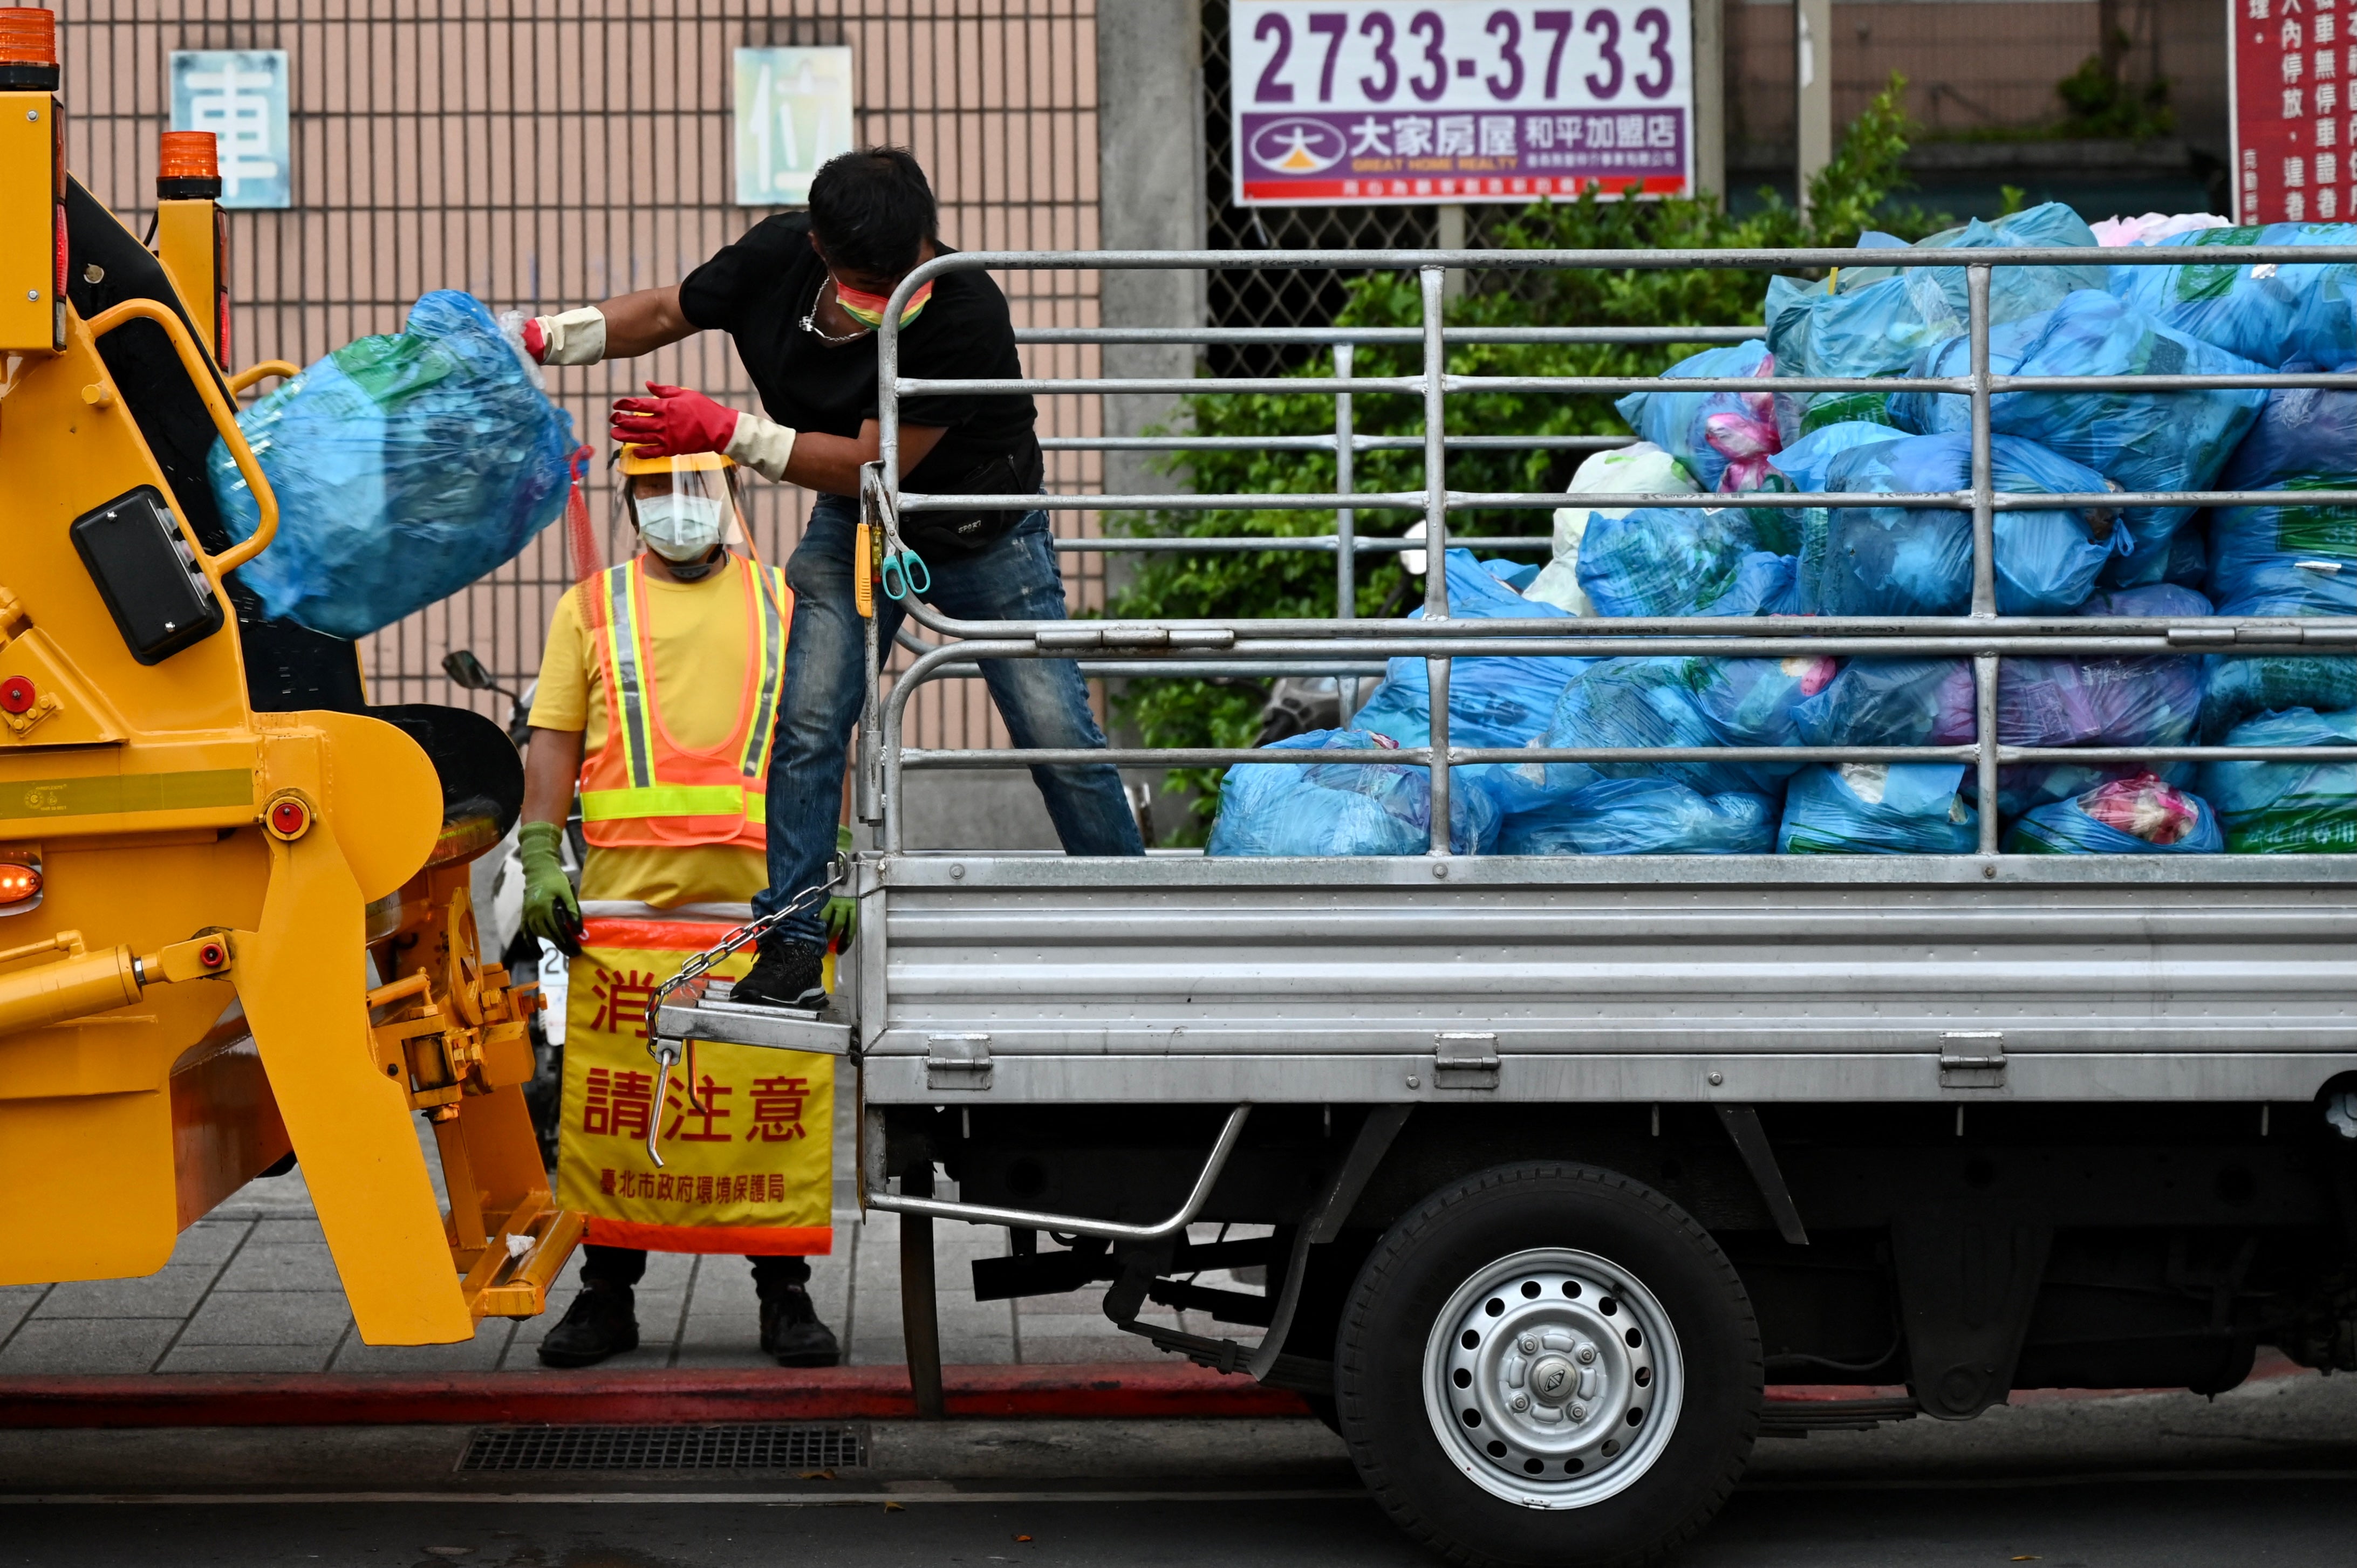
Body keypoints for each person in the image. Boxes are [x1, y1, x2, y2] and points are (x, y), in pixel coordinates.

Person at [520, 146, 1143, 1010]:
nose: (892, 299)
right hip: (856, 530)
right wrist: (546, 339)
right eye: (870, 280)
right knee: (809, 721)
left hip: (979, 530)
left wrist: (728, 429)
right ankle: (790, 945)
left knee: (1057, 738)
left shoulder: (962, 307)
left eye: (905, 272)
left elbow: (869, 464)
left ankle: (1132, 915)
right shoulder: (775, 258)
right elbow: (667, 310)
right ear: (817, 247)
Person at [518, 447, 845, 1368]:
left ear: (732, 496)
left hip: (754, 918)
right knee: (623, 1112)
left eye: (694, 488)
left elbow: (821, 744)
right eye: (655, 490)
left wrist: (838, 869)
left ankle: (784, 1297)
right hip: (625, 916)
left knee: (756, 1107)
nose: (676, 507)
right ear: (629, 502)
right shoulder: (591, 606)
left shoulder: (784, 605)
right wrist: (541, 854)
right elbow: (554, 739)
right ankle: (606, 1297)